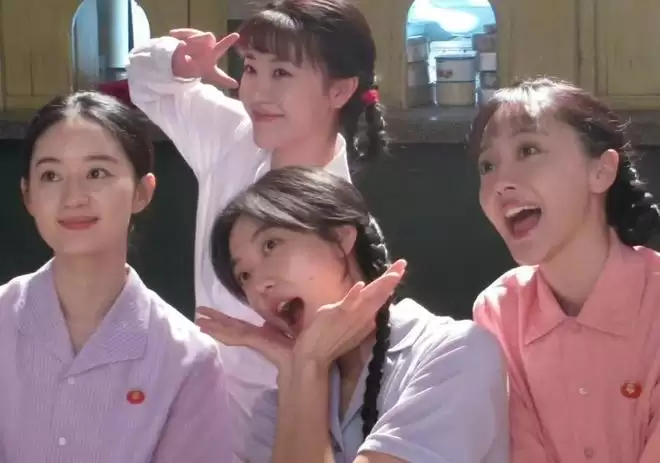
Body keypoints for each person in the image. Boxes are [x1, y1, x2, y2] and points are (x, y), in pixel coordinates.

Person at [126, 0, 389, 455]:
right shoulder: (233, 136)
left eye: (281, 73)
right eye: (251, 68)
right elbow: (146, 83)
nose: (258, 92)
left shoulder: (344, 225)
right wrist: (177, 61)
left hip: (294, 426)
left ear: (339, 90)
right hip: (197, 415)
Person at [196, 166, 509, 463]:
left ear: (341, 237)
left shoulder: (456, 352)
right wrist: (302, 368)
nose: (259, 285)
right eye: (244, 275)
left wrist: (307, 364)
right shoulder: (277, 407)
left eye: (270, 245)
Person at [0, 92, 233, 462]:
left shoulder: (186, 359)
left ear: (142, 192)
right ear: (28, 196)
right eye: (51, 175)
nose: (73, 197)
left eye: (97, 173)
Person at [470, 77, 660, 463]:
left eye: (528, 150)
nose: (501, 183)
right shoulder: (497, 312)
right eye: (487, 165)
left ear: (601, 171)